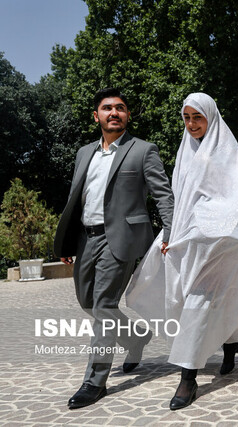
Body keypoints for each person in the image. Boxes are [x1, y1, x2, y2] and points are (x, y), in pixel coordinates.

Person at [127, 93, 238, 410]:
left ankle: (188, 379)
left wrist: (205, 227)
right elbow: (181, 201)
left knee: (197, 305)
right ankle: (231, 343)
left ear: (210, 116)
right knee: (198, 302)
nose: (193, 124)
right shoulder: (186, 151)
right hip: (190, 242)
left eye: (198, 117)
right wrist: (171, 234)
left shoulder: (226, 150)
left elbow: (236, 200)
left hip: (221, 245)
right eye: (187, 117)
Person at [53, 88, 174, 409]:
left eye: (120, 108)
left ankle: (94, 381)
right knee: (87, 302)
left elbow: (163, 195)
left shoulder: (143, 150)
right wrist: (68, 240)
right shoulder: (83, 153)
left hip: (121, 239)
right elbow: (76, 199)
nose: (114, 112)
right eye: (107, 108)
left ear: (128, 115)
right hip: (85, 239)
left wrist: (170, 232)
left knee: (104, 305)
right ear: (97, 116)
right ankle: (136, 338)